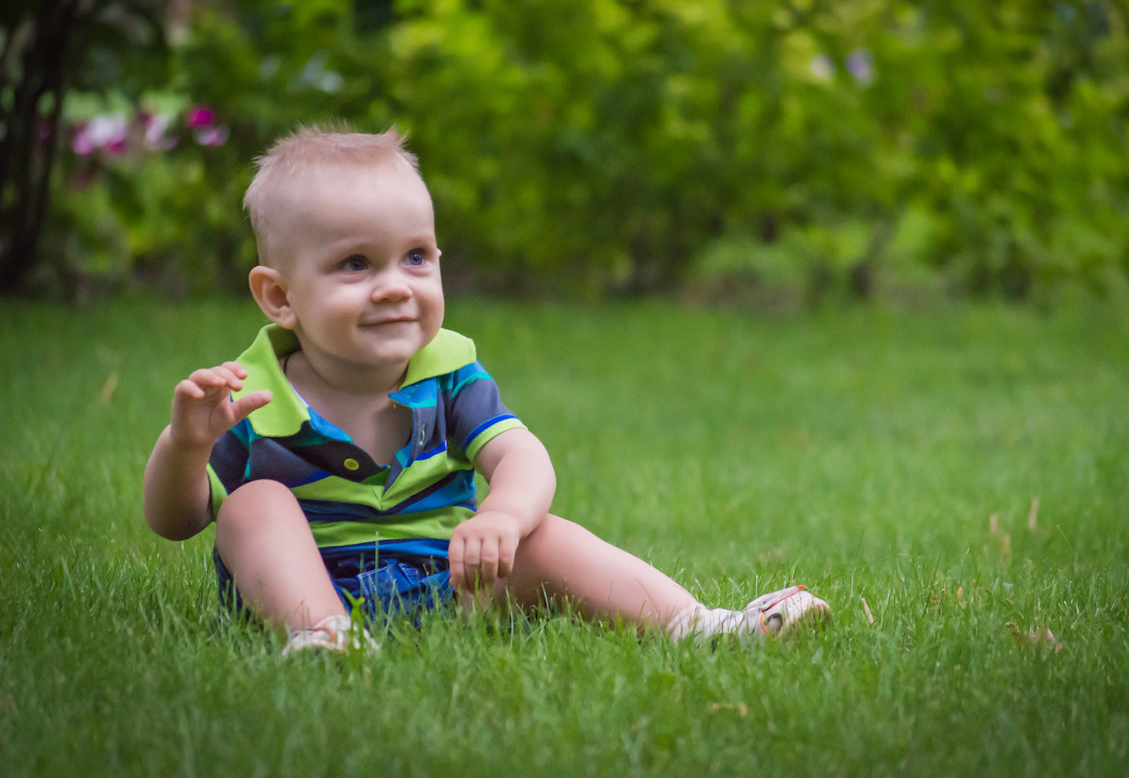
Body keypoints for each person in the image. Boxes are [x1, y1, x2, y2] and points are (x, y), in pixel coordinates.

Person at [142, 125, 830, 654]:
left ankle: (699, 625)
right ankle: (324, 638)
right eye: (355, 263)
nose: (394, 285)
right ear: (280, 296)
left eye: (415, 257)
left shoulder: (450, 377)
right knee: (253, 505)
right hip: (298, 591)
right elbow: (178, 521)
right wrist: (186, 446)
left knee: (544, 536)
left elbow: (523, 457)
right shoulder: (249, 398)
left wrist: (502, 515)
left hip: (449, 584)